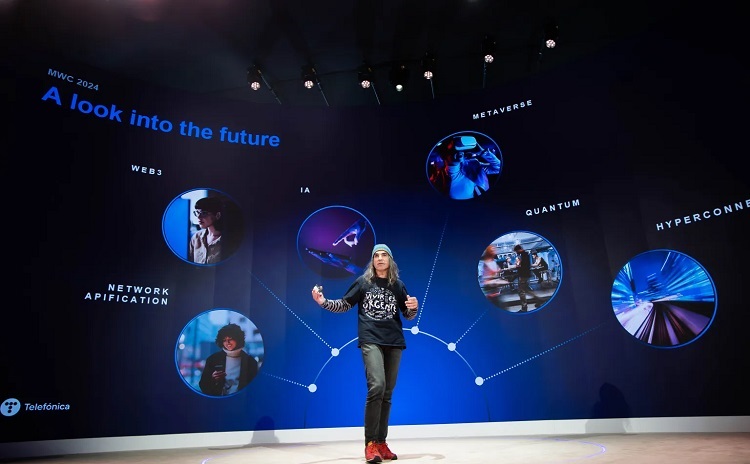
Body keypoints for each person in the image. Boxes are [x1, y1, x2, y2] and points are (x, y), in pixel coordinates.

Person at [311, 244, 418, 463]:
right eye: (376, 255)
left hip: (394, 341)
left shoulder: (398, 285)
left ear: (390, 260)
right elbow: (344, 304)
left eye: (384, 255)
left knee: (387, 393)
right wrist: (323, 302)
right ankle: (370, 444)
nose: (380, 258)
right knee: (377, 386)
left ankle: (381, 442)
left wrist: (414, 307)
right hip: (370, 339)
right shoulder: (363, 283)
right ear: (372, 261)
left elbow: (408, 315)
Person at [428, 135, 501, 200]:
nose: (460, 152)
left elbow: (498, 168)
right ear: (444, 156)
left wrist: (484, 153)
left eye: (461, 150)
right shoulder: (438, 177)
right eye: (453, 151)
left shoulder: (474, 164)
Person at [199, 323, 259, 396]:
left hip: (240, 401)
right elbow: (203, 385)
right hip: (219, 401)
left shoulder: (251, 362)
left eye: (230, 339)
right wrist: (213, 379)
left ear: (238, 339)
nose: (227, 343)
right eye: (224, 340)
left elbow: (255, 388)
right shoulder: (213, 359)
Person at [189, 196, 224, 264]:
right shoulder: (196, 238)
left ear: (217, 215)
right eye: (197, 212)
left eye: (204, 213)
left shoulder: (226, 240)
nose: (199, 217)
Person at [513, 244, 544, 312]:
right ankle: (538, 299)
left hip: (523, 275)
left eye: (516, 251)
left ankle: (524, 307)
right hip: (525, 274)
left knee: (521, 291)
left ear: (519, 249)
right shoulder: (525, 254)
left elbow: (524, 266)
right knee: (526, 290)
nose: (516, 252)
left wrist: (517, 266)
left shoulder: (523, 255)